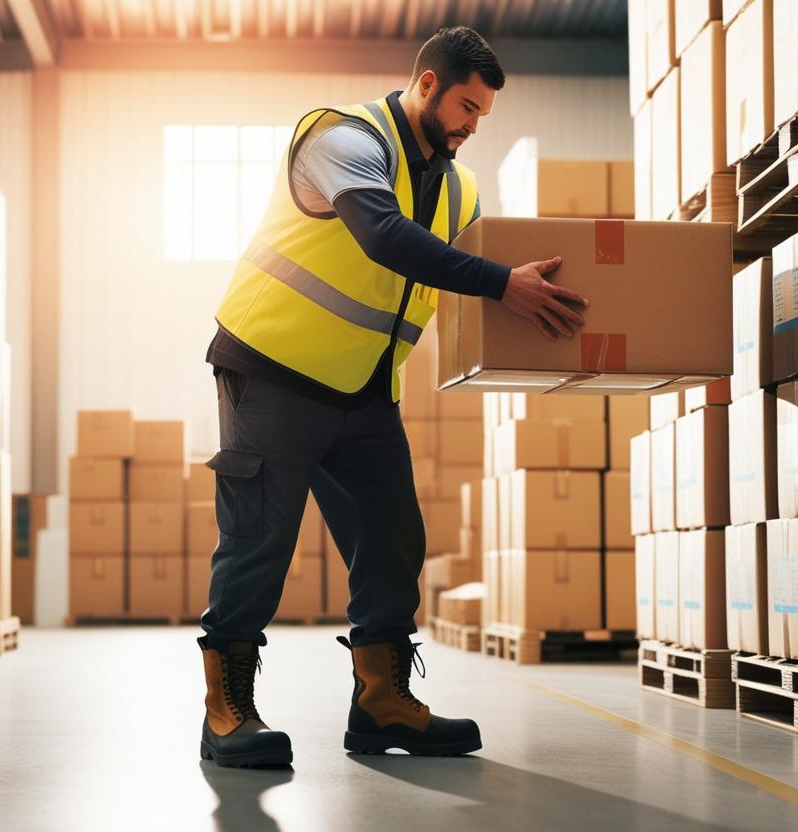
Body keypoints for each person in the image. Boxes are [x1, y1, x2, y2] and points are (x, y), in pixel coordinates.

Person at [197, 25, 588, 768]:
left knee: (392, 537)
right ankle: (227, 711)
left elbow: (464, 280)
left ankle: (381, 703)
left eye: (484, 116)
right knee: (260, 538)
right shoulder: (342, 138)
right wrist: (506, 282)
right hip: (273, 368)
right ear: (428, 84)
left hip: (365, 388)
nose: (473, 126)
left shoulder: (460, 186)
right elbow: (382, 236)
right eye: (467, 107)